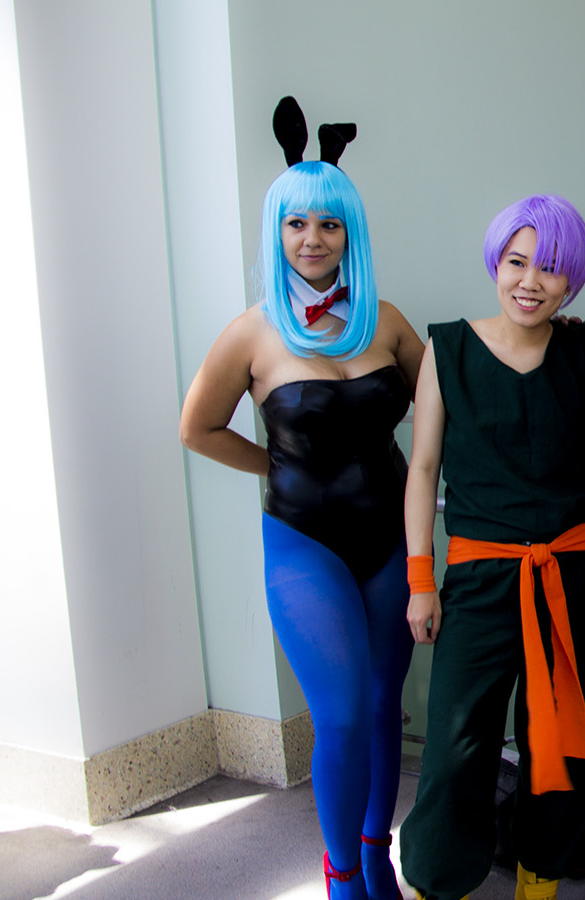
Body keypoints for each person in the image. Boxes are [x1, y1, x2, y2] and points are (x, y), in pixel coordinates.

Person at [398, 194, 585, 900]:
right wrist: (420, 579)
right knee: (456, 748)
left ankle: (540, 881)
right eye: (517, 262)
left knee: (562, 741)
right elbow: (423, 468)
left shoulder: (577, 345)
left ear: (572, 280)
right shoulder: (447, 348)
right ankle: (438, 884)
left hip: (573, 575)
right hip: (478, 576)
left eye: (551, 268)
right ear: (496, 264)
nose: (530, 281)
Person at [179, 98, 424, 900]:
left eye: (328, 223)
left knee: (384, 708)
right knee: (343, 715)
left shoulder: (387, 322)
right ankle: (341, 875)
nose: (312, 238)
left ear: (350, 233)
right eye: (295, 224)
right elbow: (197, 428)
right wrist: (276, 465)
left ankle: (376, 853)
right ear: (275, 232)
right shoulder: (251, 333)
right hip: (304, 544)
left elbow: (448, 406)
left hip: (391, 538)